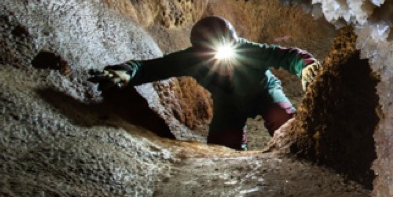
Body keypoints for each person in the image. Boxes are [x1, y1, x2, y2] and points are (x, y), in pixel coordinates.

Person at [89, 15, 320, 150]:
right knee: (222, 149)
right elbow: (152, 67)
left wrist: (306, 65)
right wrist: (125, 73)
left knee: (286, 123)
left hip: (264, 91)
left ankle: (302, 153)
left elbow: (286, 55)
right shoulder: (193, 60)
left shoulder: (246, 50)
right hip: (228, 103)